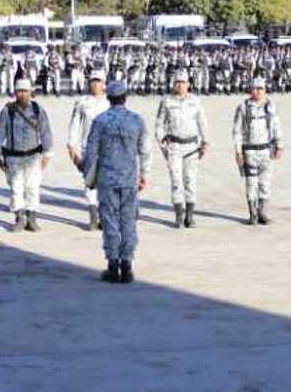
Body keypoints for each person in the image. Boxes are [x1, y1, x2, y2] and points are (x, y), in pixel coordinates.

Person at [82, 80, 151, 284]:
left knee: (110, 221)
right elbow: (145, 151)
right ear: (125, 97)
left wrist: (87, 173)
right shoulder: (137, 120)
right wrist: (144, 174)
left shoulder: (100, 121)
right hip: (129, 179)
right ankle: (127, 266)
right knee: (128, 221)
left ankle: (113, 265)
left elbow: (91, 151)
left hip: (107, 179)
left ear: (109, 98)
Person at [0, 78, 54, 233]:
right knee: (16, 188)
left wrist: (47, 153)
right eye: (19, 91)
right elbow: (0, 132)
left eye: (25, 91)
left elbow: (45, 131)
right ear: (15, 93)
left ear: (31, 92)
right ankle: (19, 217)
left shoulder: (38, 110)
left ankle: (32, 217)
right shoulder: (8, 111)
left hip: (33, 157)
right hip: (13, 158)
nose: (23, 94)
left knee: (33, 187)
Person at [155, 69, 210, 228]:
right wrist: (161, 144)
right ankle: (178, 215)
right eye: (177, 82)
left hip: (191, 147)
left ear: (189, 84)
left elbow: (202, 122)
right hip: (174, 146)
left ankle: (189, 216)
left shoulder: (195, 101)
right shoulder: (166, 101)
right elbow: (159, 125)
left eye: (183, 82)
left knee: (190, 181)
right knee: (176, 181)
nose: (180, 85)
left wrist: (205, 142)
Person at [231, 76, 284, 225]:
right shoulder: (243, 107)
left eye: (261, 89)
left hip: (266, 150)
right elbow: (237, 131)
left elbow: (276, 126)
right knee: (251, 184)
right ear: (250, 90)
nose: (258, 92)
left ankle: (263, 213)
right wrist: (238, 151)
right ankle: (253, 214)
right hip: (250, 151)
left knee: (265, 184)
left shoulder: (270, 107)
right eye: (255, 88)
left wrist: (280, 145)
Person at [67, 69, 110, 230]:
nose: (95, 84)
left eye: (98, 81)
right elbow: (75, 125)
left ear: (104, 84)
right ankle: (93, 217)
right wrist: (72, 146)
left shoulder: (110, 102)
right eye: (92, 81)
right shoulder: (82, 102)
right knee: (90, 183)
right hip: (88, 147)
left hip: (108, 148)